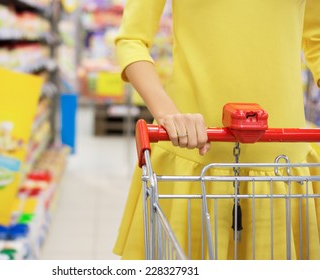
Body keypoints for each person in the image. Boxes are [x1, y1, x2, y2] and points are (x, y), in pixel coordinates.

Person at [113, 0, 320, 260]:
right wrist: (169, 115)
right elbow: (131, 39)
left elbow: (316, 38)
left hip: (284, 163)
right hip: (191, 160)